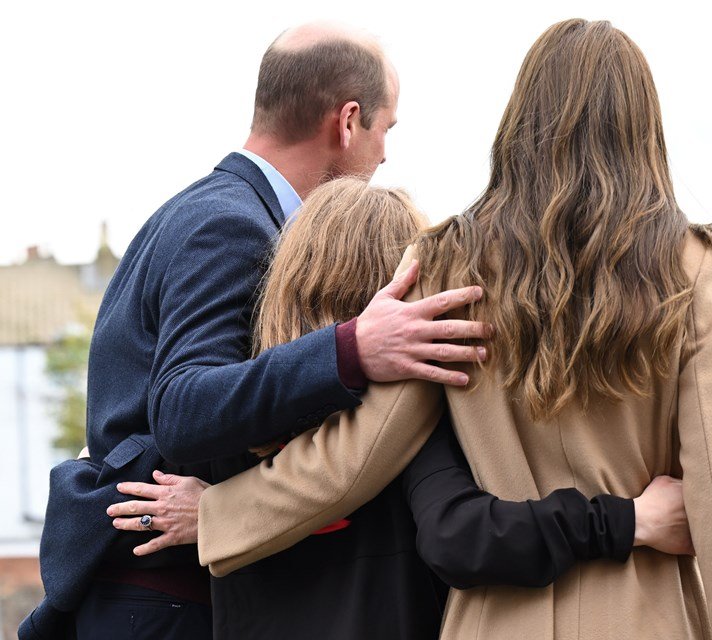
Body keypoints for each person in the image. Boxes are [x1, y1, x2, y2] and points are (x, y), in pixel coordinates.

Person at [111, 19, 712, 639]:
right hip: (650, 617)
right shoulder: (696, 267)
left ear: (521, 121)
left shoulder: (448, 262)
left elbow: (358, 453)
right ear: (645, 127)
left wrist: (221, 516)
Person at [20, 21, 492, 640]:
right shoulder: (231, 225)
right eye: (385, 129)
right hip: (161, 600)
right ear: (347, 121)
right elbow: (183, 409)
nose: (384, 155)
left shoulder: (201, 209)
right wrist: (353, 349)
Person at [111, 176, 694, 638]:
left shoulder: (229, 434)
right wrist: (628, 520)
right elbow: (463, 536)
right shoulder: (414, 415)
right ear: (403, 282)